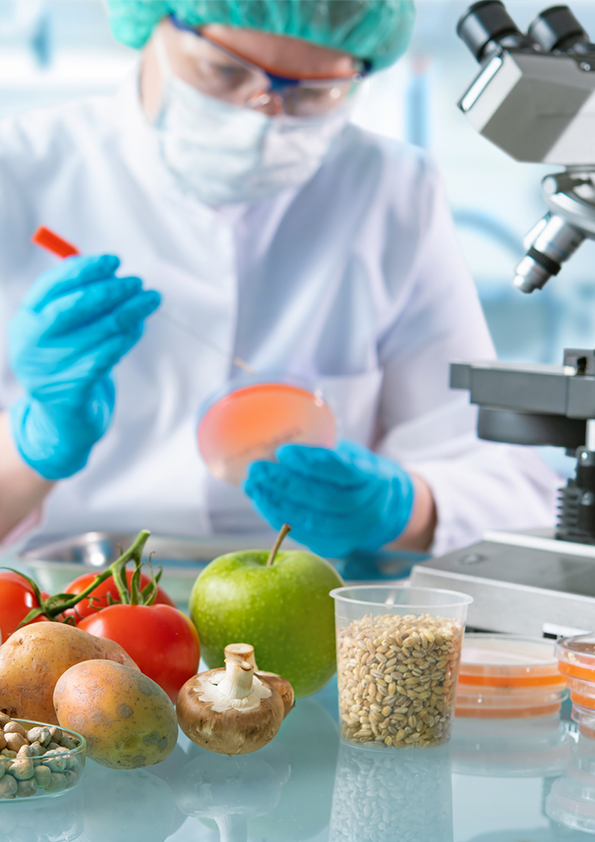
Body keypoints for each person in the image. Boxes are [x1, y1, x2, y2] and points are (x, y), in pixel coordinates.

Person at [0, 0, 559, 558]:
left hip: (312, 601)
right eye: (223, 71)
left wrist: (405, 507)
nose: (260, 117)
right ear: (151, 24)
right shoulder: (21, 169)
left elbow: (501, 479)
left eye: (312, 93)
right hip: (64, 604)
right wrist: (31, 449)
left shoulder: (391, 191)